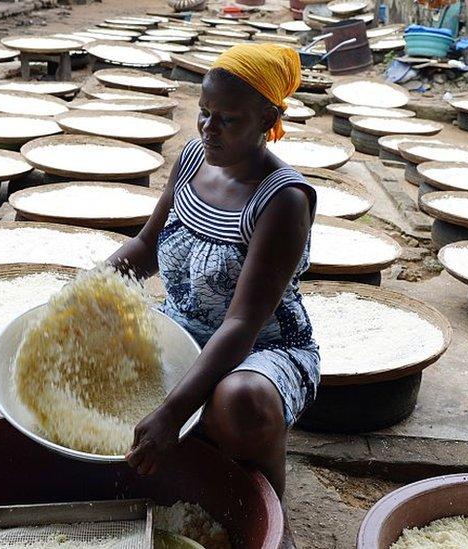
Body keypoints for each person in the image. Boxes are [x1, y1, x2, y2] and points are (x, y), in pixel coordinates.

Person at [108, 43, 318, 499]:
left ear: (267, 120)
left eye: (228, 119)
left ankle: (268, 502)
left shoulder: (283, 200)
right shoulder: (191, 159)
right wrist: (84, 294)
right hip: (180, 329)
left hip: (260, 350)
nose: (209, 129)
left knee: (239, 402)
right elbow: (146, 246)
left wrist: (171, 411)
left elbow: (242, 323)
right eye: (204, 113)